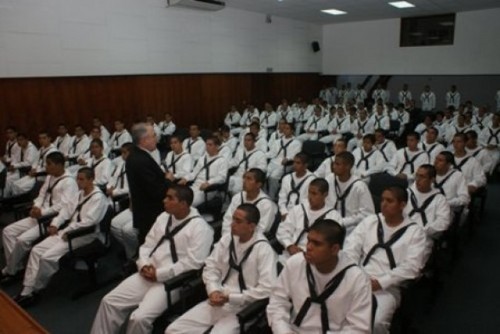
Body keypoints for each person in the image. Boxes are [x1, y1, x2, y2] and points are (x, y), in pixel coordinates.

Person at [91, 185, 213, 334]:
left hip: (171, 282)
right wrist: (143, 264)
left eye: (170, 198)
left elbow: (194, 263)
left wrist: (159, 274)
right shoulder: (163, 217)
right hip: (147, 272)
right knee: (109, 301)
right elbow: (147, 245)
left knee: (139, 318)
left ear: (183, 204)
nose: (164, 200)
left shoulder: (201, 228)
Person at [165, 203, 277, 334]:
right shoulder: (227, 239)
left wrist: (231, 297)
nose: (232, 224)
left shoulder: (264, 250)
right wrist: (213, 290)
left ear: (252, 226)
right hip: (219, 299)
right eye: (233, 219)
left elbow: (267, 289)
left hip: (244, 307)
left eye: (238, 221)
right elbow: (211, 267)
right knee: (173, 330)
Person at [14, 167, 108, 307]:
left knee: (47, 257)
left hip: (84, 235)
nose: (78, 181)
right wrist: (55, 224)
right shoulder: (80, 194)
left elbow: (89, 222)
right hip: (68, 231)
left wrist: (68, 231)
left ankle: (36, 289)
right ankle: (26, 289)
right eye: (77, 178)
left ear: (91, 179)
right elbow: (66, 210)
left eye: (82, 179)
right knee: (37, 250)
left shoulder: (98, 198)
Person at [344, 186, 426, 334]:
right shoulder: (370, 221)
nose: (384, 204)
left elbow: (412, 267)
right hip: (359, 278)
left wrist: (381, 282)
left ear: (402, 205)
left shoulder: (415, 232)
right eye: (382, 200)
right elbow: (351, 247)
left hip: (388, 288)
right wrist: (354, 273)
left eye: (390, 201)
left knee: (376, 323)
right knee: (335, 310)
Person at [267, 219, 372, 334]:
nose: (308, 247)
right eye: (308, 240)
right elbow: (277, 302)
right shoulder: (295, 263)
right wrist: (283, 331)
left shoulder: (356, 278)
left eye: (317, 244)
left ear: (334, 249)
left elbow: (359, 328)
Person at [1, 152, 78, 283]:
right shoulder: (50, 177)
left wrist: (42, 212)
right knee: (8, 232)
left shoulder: (69, 182)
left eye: (49, 164)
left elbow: (62, 207)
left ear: (59, 165)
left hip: (51, 219)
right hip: (39, 214)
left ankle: (10, 270)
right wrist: (36, 206)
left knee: (22, 240)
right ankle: (15, 267)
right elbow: (41, 195)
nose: (46, 167)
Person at [277, 178, 343, 260]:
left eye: (314, 194)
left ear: (325, 195)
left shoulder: (333, 216)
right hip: (290, 255)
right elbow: (282, 230)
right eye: (309, 193)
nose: (310, 197)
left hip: (316, 259)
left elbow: (331, 243)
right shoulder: (298, 209)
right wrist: (289, 246)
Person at [126, 123, 168, 244]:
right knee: (152, 246)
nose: (156, 138)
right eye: (154, 135)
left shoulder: (135, 154)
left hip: (145, 211)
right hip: (150, 213)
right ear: (144, 140)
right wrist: (168, 180)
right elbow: (156, 191)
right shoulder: (140, 160)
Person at [404, 165, 451, 259]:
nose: (418, 179)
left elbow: (443, 222)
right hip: (401, 232)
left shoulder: (440, 199)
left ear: (432, 179)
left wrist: (421, 231)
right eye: (417, 176)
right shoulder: (407, 193)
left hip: (422, 237)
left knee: (410, 259)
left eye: (422, 177)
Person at [326, 152, 375, 233]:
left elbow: (368, 214)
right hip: (330, 225)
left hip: (352, 229)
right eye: (334, 163)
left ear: (348, 166)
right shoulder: (329, 179)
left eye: (338, 164)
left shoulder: (359, 186)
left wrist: (343, 222)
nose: (334, 167)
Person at [222, 168, 277, 236]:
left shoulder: (266, 204)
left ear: (258, 184)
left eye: (249, 179)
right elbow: (228, 219)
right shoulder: (238, 197)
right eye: (244, 178)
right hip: (230, 236)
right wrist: (227, 235)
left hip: (250, 241)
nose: (244, 181)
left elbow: (261, 229)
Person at [178, 136, 227, 208]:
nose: (207, 147)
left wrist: (209, 183)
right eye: (206, 144)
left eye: (210, 145)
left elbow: (222, 177)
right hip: (195, 186)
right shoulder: (202, 158)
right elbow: (194, 173)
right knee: (178, 198)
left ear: (217, 146)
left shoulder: (222, 160)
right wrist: (186, 178)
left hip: (208, 189)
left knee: (187, 203)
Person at [10, 131, 58, 197]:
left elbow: (50, 168)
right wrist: (33, 168)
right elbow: (35, 161)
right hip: (34, 173)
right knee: (15, 184)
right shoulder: (41, 149)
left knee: (19, 188)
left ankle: (19, 202)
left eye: (44, 138)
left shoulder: (53, 151)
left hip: (42, 176)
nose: (41, 140)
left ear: (50, 138)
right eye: (40, 138)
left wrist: (36, 171)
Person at [266, 122, 302, 199]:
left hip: (286, 164)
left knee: (273, 177)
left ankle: (271, 197)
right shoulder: (278, 141)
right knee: (262, 174)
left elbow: (296, 155)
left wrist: (288, 158)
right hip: (274, 162)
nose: (285, 130)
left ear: (292, 131)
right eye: (284, 128)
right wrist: (262, 155)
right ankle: (264, 194)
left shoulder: (297, 143)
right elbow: (272, 153)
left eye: (287, 128)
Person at [278, 153, 315, 220]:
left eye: (298, 163)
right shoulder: (287, 178)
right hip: (286, 213)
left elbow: (309, 201)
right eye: (294, 162)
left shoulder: (312, 180)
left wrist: (297, 214)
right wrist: (283, 211)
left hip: (303, 214)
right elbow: (282, 198)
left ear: (305, 165)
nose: (294, 165)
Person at [3, 133, 39, 198]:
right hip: (18, 169)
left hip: (25, 171)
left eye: (21, 140)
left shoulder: (31, 149)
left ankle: (6, 199)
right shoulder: (20, 148)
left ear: (27, 140)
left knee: (8, 181)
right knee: (5, 177)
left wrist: (16, 166)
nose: (19, 142)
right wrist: (13, 165)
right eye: (18, 140)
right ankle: (4, 197)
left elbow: (28, 163)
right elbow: (16, 159)